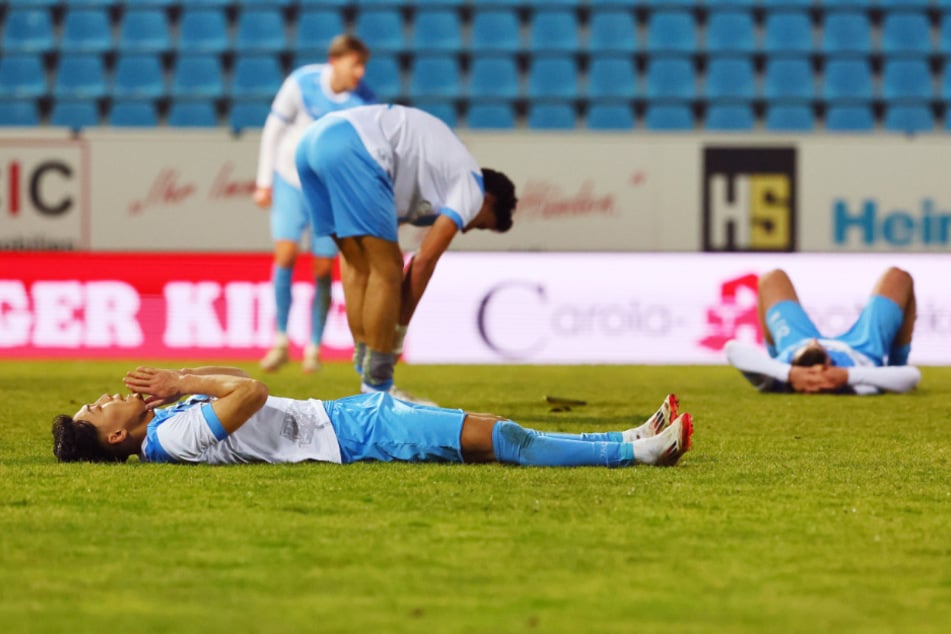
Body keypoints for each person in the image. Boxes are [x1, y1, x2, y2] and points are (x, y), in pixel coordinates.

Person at [295, 104, 518, 402]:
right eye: (480, 225)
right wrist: (396, 335)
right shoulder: (472, 186)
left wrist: (380, 337)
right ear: (489, 201)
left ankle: (366, 369)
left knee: (358, 263)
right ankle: (379, 388)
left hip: (312, 142)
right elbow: (423, 261)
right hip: (354, 145)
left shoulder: (430, 182)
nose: (466, 229)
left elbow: (364, 263)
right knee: (387, 269)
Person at [51, 366, 694, 468]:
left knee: (491, 423)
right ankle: (635, 455)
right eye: (100, 404)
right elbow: (249, 392)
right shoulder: (169, 439)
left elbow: (244, 394)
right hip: (353, 435)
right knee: (499, 438)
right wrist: (183, 382)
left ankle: (623, 436)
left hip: (346, 413)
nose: (108, 393)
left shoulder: (168, 422)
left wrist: (181, 385)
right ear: (113, 434)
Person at [253, 35, 375, 373]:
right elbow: (273, 129)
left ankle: (314, 347)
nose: (360, 72)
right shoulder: (301, 82)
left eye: (363, 65)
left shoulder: (363, 101)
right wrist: (264, 182)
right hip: (290, 180)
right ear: (335, 61)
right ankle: (280, 340)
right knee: (285, 254)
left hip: (328, 191)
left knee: (323, 268)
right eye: (356, 64)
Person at [725, 267, 921, 394]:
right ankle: (897, 362)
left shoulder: (778, 378)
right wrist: (848, 376)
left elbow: (732, 349)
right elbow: (911, 376)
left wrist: (787, 372)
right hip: (862, 348)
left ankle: (775, 353)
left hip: (795, 342)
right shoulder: (855, 383)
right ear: (827, 365)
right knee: (899, 277)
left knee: (772, 279)